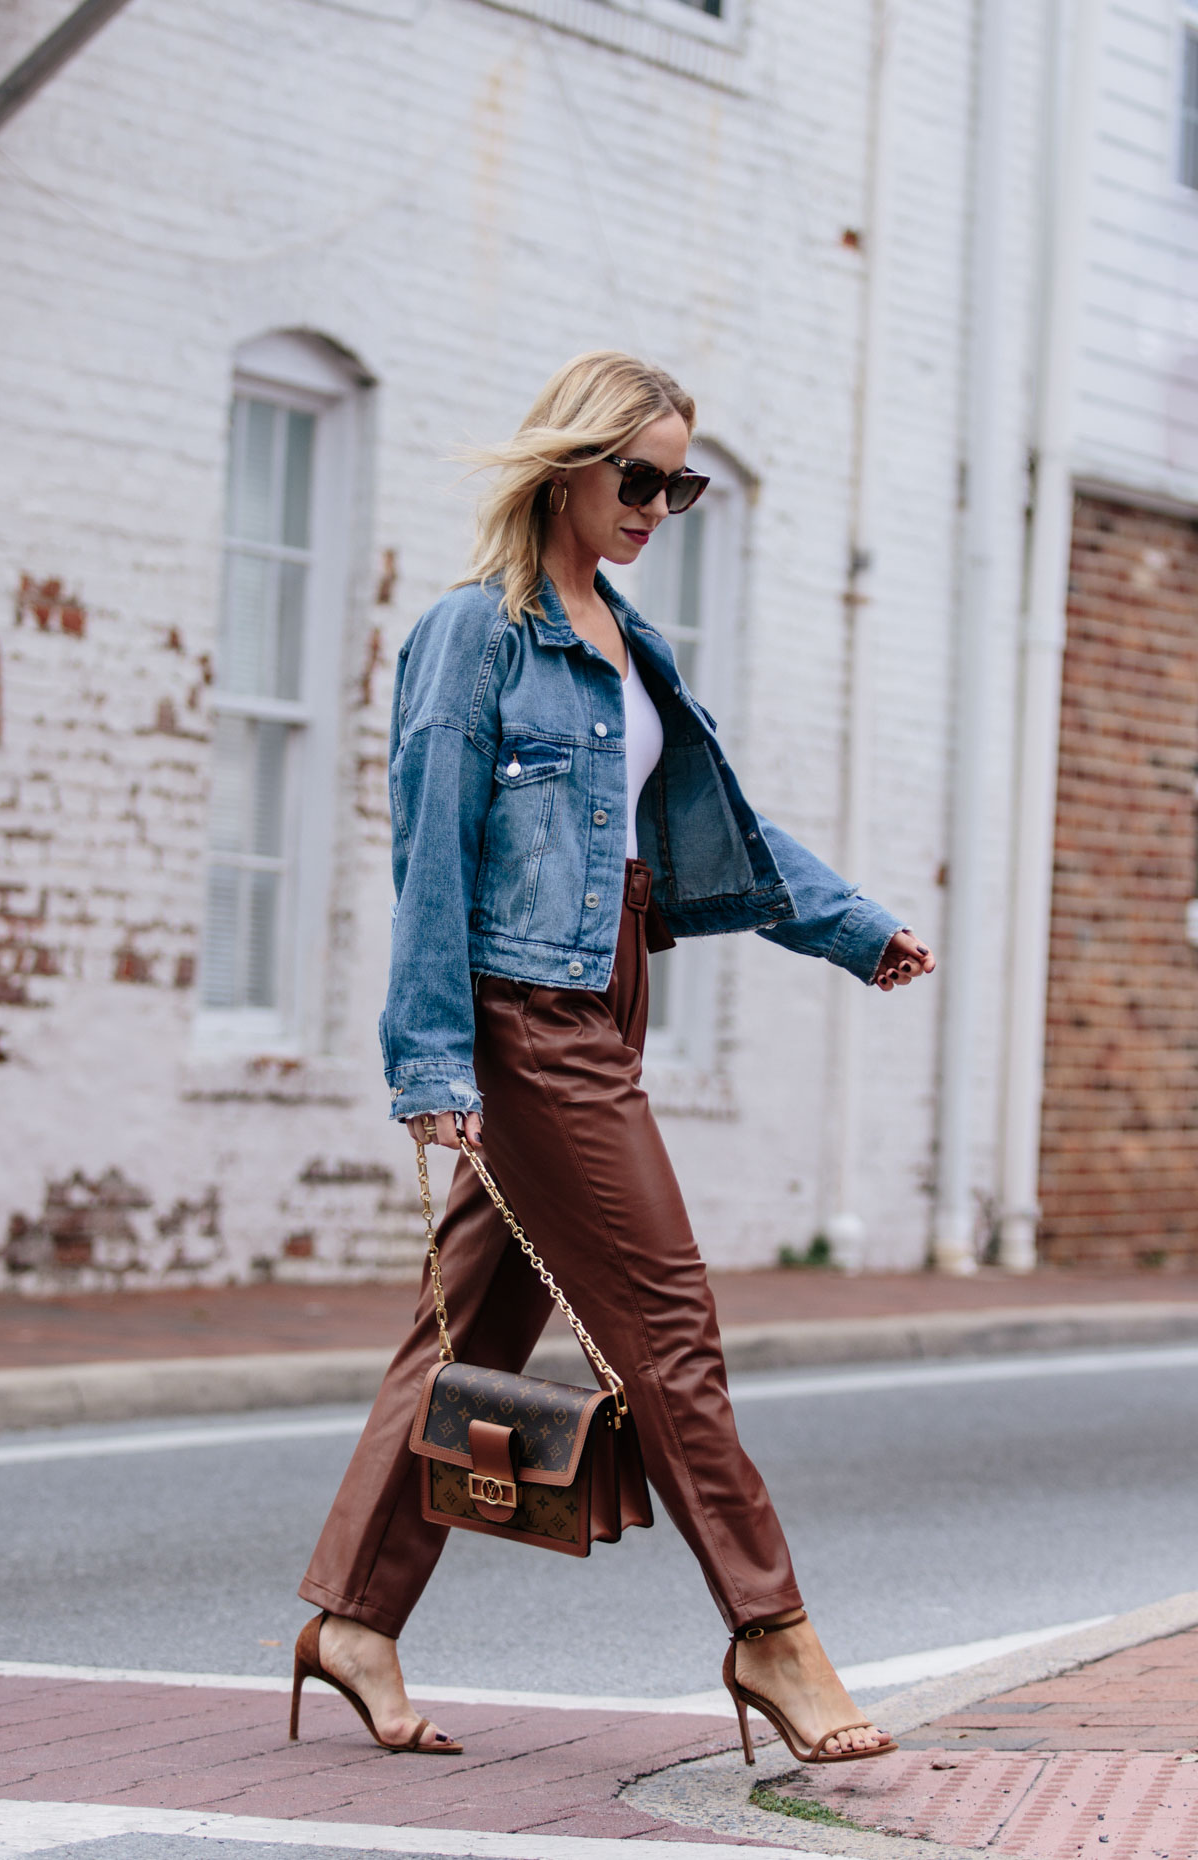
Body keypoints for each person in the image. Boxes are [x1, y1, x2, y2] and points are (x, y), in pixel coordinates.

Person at [292, 351, 936, 1763]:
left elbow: (720, 834)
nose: (657, 504)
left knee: (467, 1329)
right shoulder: (481, 636)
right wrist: (433, 1071)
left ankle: (350, 1615)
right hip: (528, 1022)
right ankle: (773, 1634)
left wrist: (853, 927)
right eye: (635, 477)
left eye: (679, 484)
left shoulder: (630, 641)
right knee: (670, 1326)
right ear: (565, 468)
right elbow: (431, 863)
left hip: (606, 996)